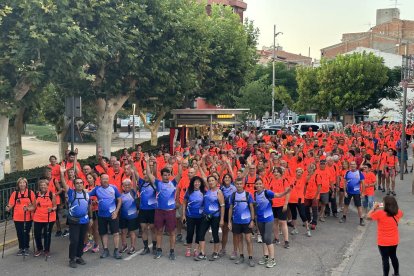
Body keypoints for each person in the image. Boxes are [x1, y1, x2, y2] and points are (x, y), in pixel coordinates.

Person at [144, 153, 182, 260]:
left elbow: (180, 173)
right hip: (159, 211)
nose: (166, 176)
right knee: (159, 231)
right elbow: (148, 173)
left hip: (170, 211)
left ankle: (172, 251)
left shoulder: (173, 183)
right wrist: (147, 162)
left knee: (172, 233)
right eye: (164, 175)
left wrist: (179, 163)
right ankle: (159, 250)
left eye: (168, 174)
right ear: (162, 176)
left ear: (170, 175)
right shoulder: (158, 183)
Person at [60, 164, 92, 268]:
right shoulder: (71, 193)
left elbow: (89, 206)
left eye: (80, 183)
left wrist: (90, 218)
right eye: (77, 183)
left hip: (84, 220)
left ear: (83, 184)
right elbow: (64, 183)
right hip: (74, 220)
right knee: (74, 240)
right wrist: (62, 173)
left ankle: (79, 257)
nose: (79, 184)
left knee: (81, 239)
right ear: (74, 185)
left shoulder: (86, 194)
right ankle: (72, 259)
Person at [255, 177, 290, 268]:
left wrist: (286, 192)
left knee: (268, 238)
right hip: (260, 219)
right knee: (263, 238)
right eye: (257, 184)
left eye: (260, 183)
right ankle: (265, 256)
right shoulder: (255, 194)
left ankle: (272, 259)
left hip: (269, 218)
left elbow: (278, 195)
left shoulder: (267, 192)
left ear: (263, 185)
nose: (258, 185)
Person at [88, 174, 123, 259]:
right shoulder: (97, 189)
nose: (105, 180)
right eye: (103, 179)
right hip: (101, 215)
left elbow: (120, 200)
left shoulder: (113, 188)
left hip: (112, 215)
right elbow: (87, 194)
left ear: (109, 179)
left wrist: (116, 211)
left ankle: (116, 250)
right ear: (100, 180)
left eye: (106, 179)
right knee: (103, 233)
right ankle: (106, 250)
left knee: (116, 233)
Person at [367, 196, 403, 276]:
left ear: (386, 205)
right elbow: (400, 213)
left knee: (385, 259)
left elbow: (368, 216)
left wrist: (374, 208)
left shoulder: (380, 213)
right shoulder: (398, 212)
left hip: (383, 242)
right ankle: (396, 273)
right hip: (394, 241)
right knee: (393, 256)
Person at [195, 175, 225, 261]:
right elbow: (203, 177)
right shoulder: (208, 190)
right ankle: (202, 253)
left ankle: (216, 252)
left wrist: (222, 219)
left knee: (215, 234)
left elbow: (222, 206)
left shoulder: (218, 192)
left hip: (215, 216)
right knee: (200, 233)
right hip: (206, 216)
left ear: (216, 182)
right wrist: (199, 164)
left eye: (213, 180)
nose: (211, 182)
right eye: (209, 181)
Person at [228, 178, 255, 267]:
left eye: (240, 184)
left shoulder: (248, 194)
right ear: (235, 185)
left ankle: (250, 257)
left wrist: (252, 220)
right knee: (239, 239)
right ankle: (241, 256)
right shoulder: (233, 195)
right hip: (236, 221)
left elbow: (251, 208)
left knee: (248, 239)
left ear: (243, 184)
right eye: (237, 184)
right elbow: (231, 209)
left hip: (247, 221)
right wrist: (229, 221)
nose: (239, 185)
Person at [5, 177, 35, 256]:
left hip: (27, 217)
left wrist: (29, 207)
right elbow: (11, 203)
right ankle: (21, 248)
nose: (22, 184)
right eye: (20, 183)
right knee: (19, 233)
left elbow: (34, 204)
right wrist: (8, 207)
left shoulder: (30, 193)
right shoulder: (15, 193)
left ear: (26, 184)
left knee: (26, 232)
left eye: (23, 183)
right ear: (18, 184)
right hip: (17, 217)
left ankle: (26, 248)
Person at [31, 179, 57, 258]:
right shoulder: (36, 194)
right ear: (39, 186)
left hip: (49, 218)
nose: (43, 186)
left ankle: (46, 250)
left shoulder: (52, 194)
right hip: (38, 218)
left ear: (47, 186)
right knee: (37, 234)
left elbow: (55, 206)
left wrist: (52, 209)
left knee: (47, 234)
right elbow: (34, 206)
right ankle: (39, 249)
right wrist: (27, 208)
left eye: (44, 185)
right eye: (41, 185)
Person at [182, 176, 206, 257]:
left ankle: (196, 250)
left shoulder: (204, 191)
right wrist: (183, 215)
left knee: (199, 233)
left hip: (201, 216)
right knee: (190, 232)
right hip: (190, 215)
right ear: (192, 183)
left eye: (199, 182)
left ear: (201, 183)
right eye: (195, 182)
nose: (197, 183)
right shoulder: (189, 191)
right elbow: (184, 203)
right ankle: (188, 249)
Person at [137, 163, 157, 255]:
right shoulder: (141, 183)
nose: (145, 175)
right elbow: (135, 172)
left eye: (147, 174)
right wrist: (131, 163)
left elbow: (153, 173)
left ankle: (155, 247)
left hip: (152, 210)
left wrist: (148, 162)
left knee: (153, 229)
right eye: (144, 174)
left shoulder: (154, 184)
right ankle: (146, 248)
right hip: (143, 210)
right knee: (144, 228)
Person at [340, 161, 365, 226]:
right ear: (350, 166)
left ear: (356, 165)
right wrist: (345, 191)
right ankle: (344, 217)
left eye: (354, 164)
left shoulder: (359, 173)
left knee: (359, 206)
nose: (353, 165)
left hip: (356, 193)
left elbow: (363, 183)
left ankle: (361, 219)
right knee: (346, 205)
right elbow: (344, 183)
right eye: (351, 164)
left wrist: (362, 193)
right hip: (348, 192)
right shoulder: (347, 173)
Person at [119, 178, 139, 255]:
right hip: (123, 216)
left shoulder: (133, 192)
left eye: (128, 185)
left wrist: (133, 173)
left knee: (131, 232)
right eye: (125, 185)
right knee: (123, 232)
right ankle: (124, 245)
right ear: (123, 186)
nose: (127, 186)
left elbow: (134, 183)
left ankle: (133, 247)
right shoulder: (121, 194)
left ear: (131, 185)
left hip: (132, 217)